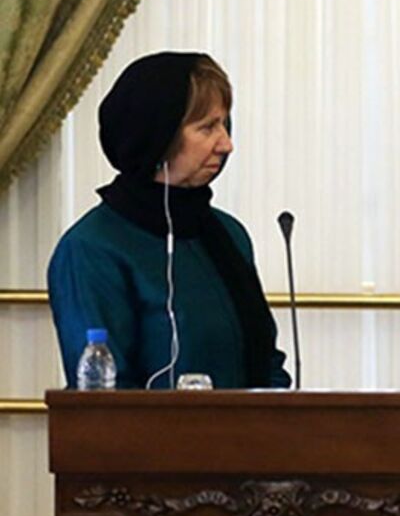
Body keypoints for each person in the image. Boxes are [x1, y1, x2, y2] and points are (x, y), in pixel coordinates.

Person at [47, 52, 291, 389]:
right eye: (207, 127)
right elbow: (104, 395)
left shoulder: (227, 233)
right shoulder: (92, 248)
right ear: (160, 136)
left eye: (225, 124)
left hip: (248, 438)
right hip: (148, 440)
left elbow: (267, 364)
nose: (227, 144)